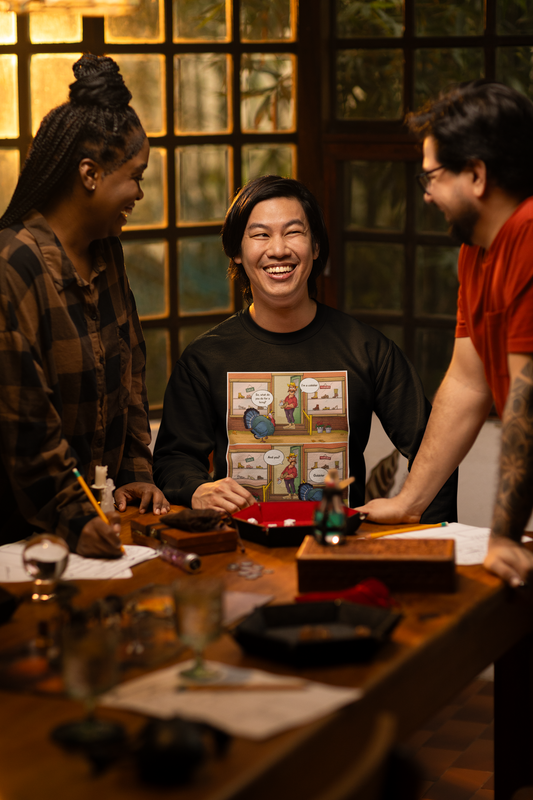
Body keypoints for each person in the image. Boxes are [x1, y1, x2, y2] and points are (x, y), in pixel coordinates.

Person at [153, 175, 457, 521]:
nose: (278, 249)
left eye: (294, 232)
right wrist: (196, 488)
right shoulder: (205, 357)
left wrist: (436, 536)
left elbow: (434, 446)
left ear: (315, 247)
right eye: (260, 234)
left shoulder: (367, 349)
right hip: (238, 552)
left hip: (336, 547)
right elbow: (172, 459)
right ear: (237, 252)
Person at [357, 80, 533, 587]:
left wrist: (503, 534)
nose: (427, 193)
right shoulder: (476, 249)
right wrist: (409, 501)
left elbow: (527, 400)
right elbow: (468, 380)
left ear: (476, 175)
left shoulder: (528, 235)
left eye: (431, 176)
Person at [0, 53, 169, 558]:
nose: (139, 192)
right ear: (90, 174)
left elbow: (131, 378)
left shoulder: (108, 254)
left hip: (99, 526)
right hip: (23, 541)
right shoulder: (12, 267)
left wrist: (136, 475)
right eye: (135, 176)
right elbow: (25, 422)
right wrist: (74, 517)